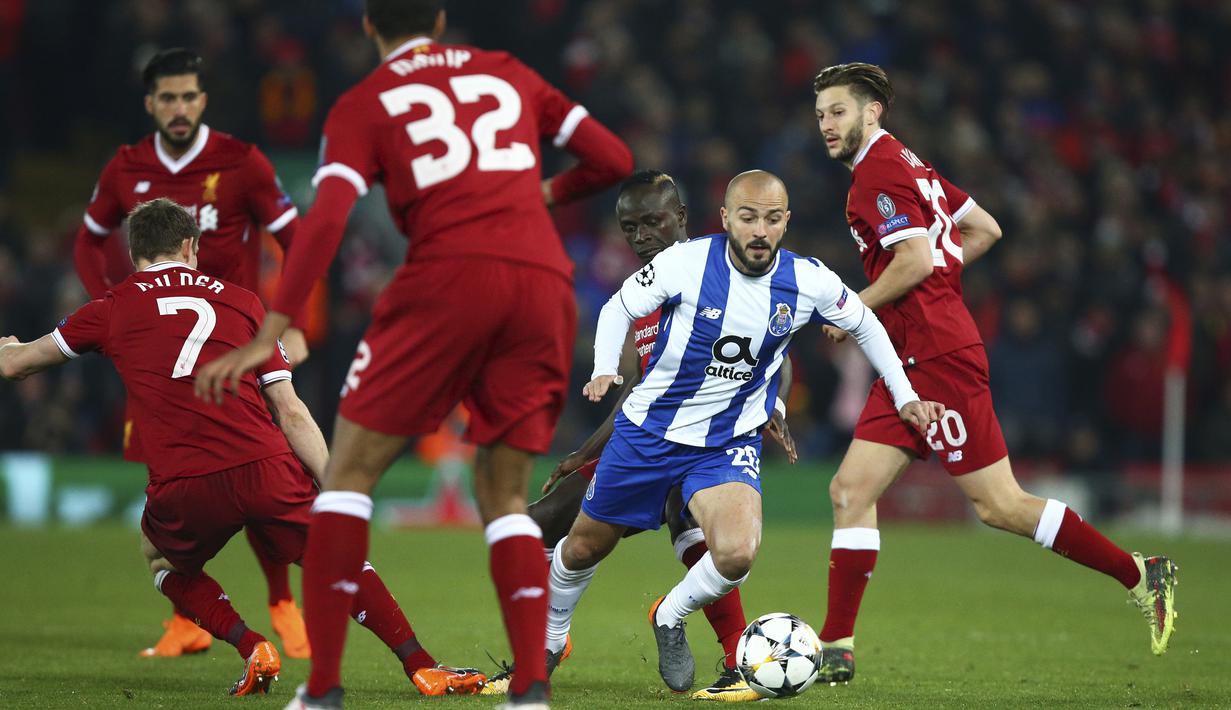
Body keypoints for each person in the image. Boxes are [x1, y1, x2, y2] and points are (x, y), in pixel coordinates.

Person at [193, 2, 633, 708]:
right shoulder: (507, 72)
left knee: (345, 479)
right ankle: (529, 691)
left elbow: (327, 217)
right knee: (505, 495)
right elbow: (613, 159)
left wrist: (271, 321)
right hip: (540, 283)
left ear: (369, 25)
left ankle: (324, 688)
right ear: (439, 15)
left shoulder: (363, 104)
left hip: (447, 278)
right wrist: (536, 195)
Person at [0, 198, 486, 698]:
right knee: (337, 558)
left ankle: (253, 645)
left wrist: (6, 348)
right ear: (190, 246)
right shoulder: (243, 302)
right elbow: (290, 409)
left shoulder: (112, 306)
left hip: (186, 481)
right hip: (264, 464)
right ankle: (424, 667)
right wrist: (335, 489)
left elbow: (19, 365)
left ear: (135, 253)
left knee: (162, 561)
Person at [810, 62, 1179, 683]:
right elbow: (984, 230)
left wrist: (855, 309)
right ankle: (836, 646)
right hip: (909, 356)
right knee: (850, 491)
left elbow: (915, 258)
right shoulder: (910, 163)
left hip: (937, 357)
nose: (826, 124)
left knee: (1001, 505)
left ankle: (1142, 574)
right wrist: (936, 282)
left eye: (838, 111)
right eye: (820, 114)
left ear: (873, 112)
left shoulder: (876, 171)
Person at [547, 170, 942, 694]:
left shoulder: (808, 279)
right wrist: (604, 369)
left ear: (785, 223)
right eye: (749, 217)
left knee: (736, 553)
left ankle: (669, 613)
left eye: (772, 219)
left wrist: (906, 395)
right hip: (650, 433)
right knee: (579, 550)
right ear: (727, 219)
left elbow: (865, 324)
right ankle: (550, 639)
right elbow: (619, 306)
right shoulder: (684, 264)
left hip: (726, 441)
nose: (760, 230)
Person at [485, 170, 793, 703]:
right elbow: (637, 391)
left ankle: (735, 660)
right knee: (540, 523)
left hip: (710, 446)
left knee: (691, 517)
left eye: (653, 221)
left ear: (682, 218)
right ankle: (541, 648)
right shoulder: (646, 292)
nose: (641, 235)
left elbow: (775, 347)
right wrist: (585, 452)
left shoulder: (721, 270)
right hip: (644, 440)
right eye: (631, 227)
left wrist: (774, 403)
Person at [72, 47, 312, 659]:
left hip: (237, 346)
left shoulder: (242, 162)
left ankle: (282, 602)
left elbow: (297, 240)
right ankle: (188, 619)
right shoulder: (125, 168)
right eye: (167, 98)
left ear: (203, 99)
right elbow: (89, 239)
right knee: (174, 470)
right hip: (165, 357)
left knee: (259, 465)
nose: (179, 108)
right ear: (150, 103)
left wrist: (294, 322)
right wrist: (114, 311)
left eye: (189, 96)